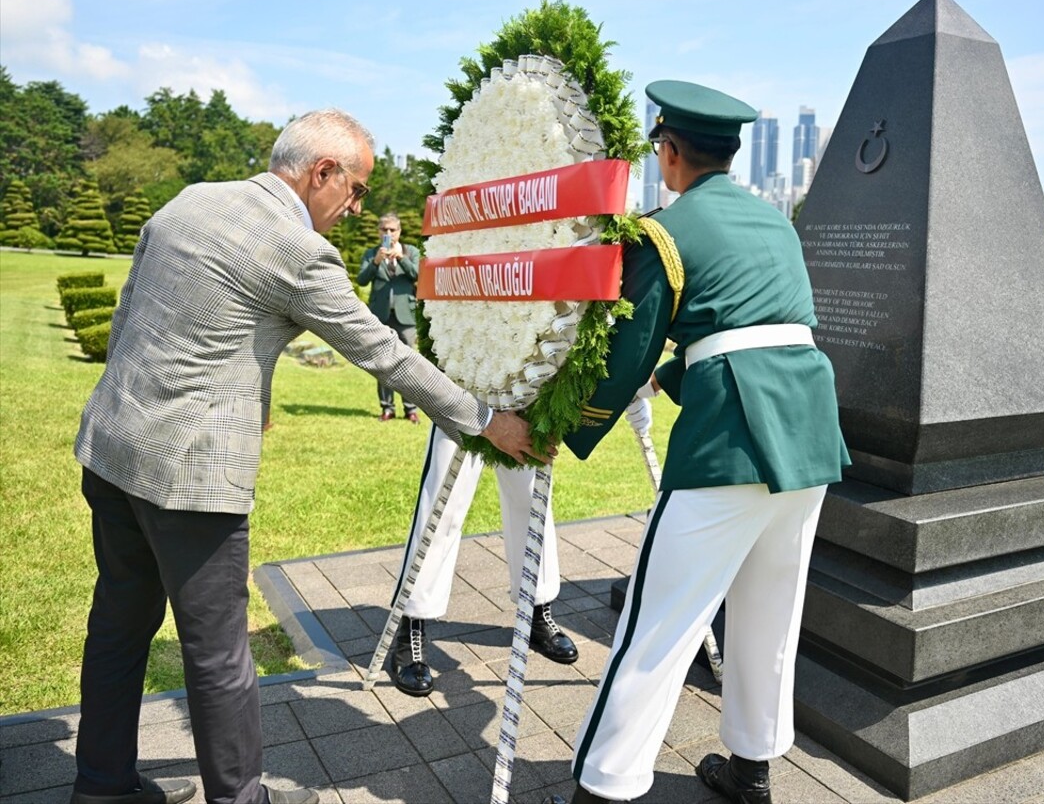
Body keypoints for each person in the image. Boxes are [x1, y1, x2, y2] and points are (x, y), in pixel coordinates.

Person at [71, 109, 543, 804]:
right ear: (321, 172)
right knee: (219, 653)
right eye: (353, 190)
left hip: (112, 447)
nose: (355, 210)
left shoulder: (191, 198)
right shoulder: (298, 249)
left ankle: (101, 788)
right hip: (190, 478)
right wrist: (485, 420)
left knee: (118, 622)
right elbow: (382, 351)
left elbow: (136, 311)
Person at [543, 82, 849, 804]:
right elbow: (758, 328)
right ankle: (752, 773)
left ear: (670, 152)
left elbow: (627, 350)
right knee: (772, 612)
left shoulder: (667, 231)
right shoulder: (776, 223)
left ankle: (602, 789)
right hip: (807, 436)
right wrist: (673, 379)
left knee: (657, 625)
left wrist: (564, 424)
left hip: (729, 444)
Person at [386, 423, 579, 697]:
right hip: (460, 391)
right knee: (443, 505)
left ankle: (537, 610)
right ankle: (410, 629)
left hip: (523, 392)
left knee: (531, 499)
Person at [356, 213, 423, 423]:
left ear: (399, 231)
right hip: (380, 315)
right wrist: (376, 262)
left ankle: (410, 409)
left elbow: (419, 275)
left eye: (392, 230)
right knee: (382, 363)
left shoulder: (411, 252)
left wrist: (401, 258)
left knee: (408, 363)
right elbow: (362, 280)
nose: (388, 234)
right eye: (384, 230)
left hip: (405, 316)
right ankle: (387, 408)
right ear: (378, 232)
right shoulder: (371, 253)